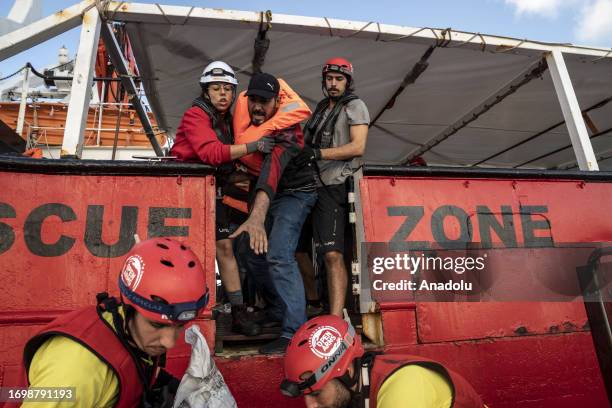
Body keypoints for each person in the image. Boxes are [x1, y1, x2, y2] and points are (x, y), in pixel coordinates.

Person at [20, 238, 210, 407]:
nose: (169, 342)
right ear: (129, 308)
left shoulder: (125, 328)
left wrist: (176, 387)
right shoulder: (76, 370)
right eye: (157, 325)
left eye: (179, 326)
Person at [170, 60, 273, 336]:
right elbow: (212, 154)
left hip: (213, 190)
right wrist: (254, 146)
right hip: (185, 191)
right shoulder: (196, 115)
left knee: (225, 248)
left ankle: (238, 312)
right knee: (188, 250)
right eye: (216, 88)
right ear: (206, 91)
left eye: (227, 88)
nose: (222, 94)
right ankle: (183, 306)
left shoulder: (229, 119)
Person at [230, 73, 317, 354]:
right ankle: (279, 309)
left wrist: (256, 218)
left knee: (279, 253)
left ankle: (294, 332)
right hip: (271, 193)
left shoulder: (289, 132)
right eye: (253, 100)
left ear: (276, 103)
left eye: (263, 102)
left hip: (296, 193)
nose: (257, 107)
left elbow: (272, 171)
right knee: (247, 251)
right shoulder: (250, 123)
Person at [294, 57, 370, 317]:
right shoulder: (321, 107)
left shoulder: (355, 106)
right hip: (311, 183)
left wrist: (318, 154)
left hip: (336, 183)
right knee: (297, 249)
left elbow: (358, 147)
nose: (334, 83)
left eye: (339, 79)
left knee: (332, 254)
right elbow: (303, 143)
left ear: (348, 81)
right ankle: (314, 302)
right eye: (329, 79)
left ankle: (336, 317)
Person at [281, 314, 486, 408]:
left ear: (347, 371)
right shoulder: (360, 386)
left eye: (317, 393)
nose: (311, 406)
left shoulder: (403, 389)